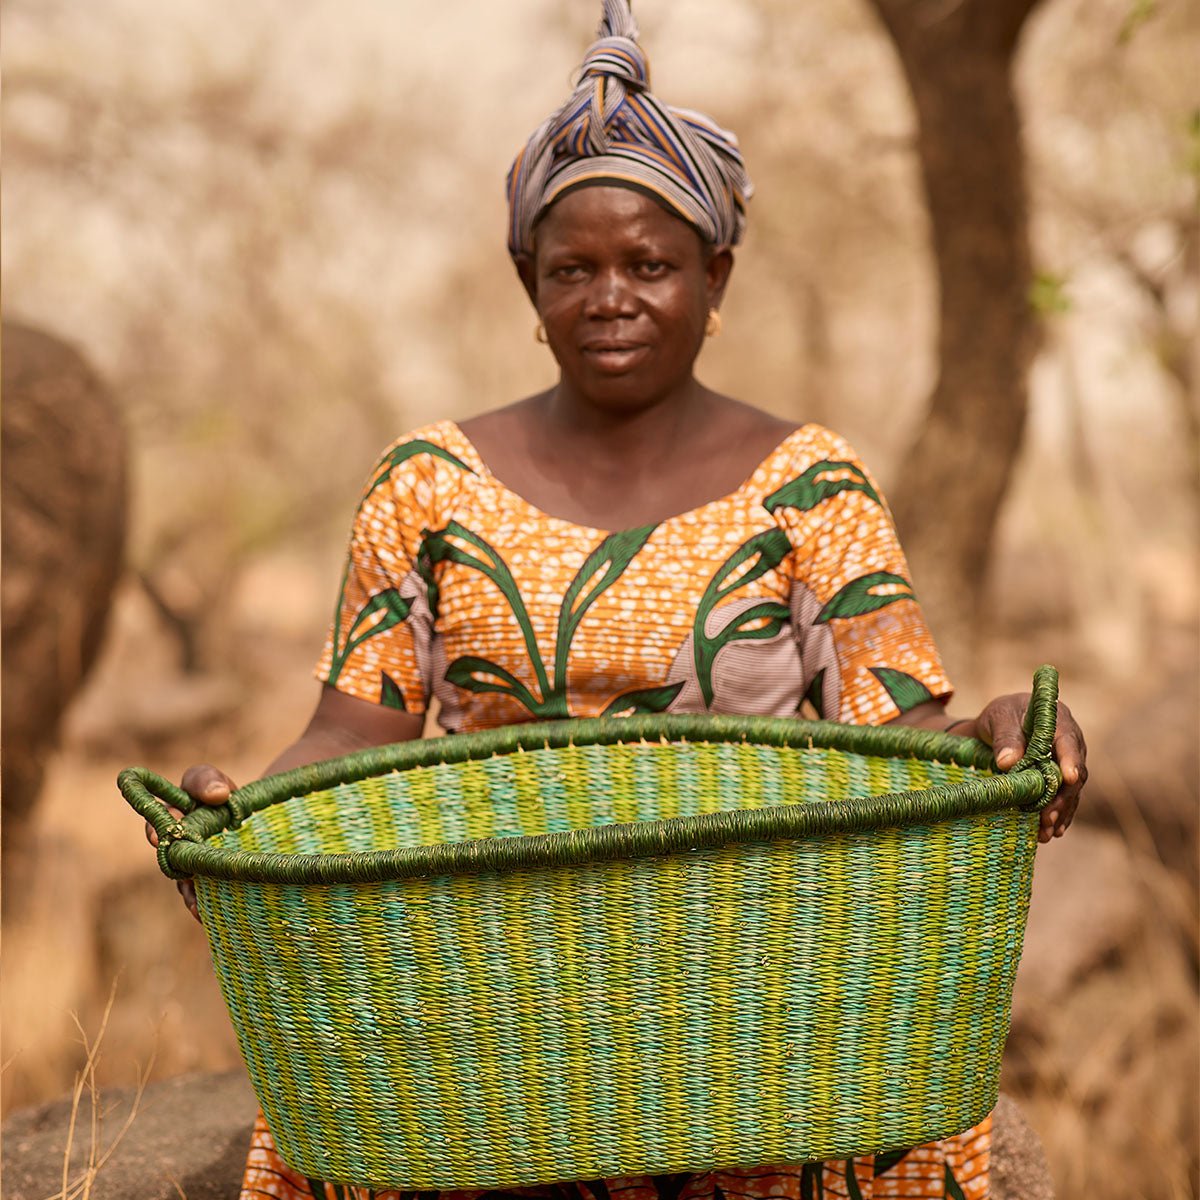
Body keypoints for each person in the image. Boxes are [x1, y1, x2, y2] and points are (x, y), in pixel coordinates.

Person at [151, 3, 1087, 1197]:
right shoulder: (427, 485)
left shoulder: (810, 486)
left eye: (650, 265)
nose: (611, 297)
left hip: (746, 983)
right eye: (573, 269)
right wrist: (238, 821)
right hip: (489, 981)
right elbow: (353, 736)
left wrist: (1002, 732)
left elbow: (895, 734)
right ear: (525, 283)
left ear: (717, 273)